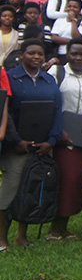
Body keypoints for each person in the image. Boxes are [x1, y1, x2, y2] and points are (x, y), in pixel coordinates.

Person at [0, 40, 52, 250]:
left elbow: (56, 110)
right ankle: (1, 237)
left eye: (40, 54)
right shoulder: (11, 77)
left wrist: (51, 140)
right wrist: (16, 140)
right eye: (31, 53)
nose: (37, 57)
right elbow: (8, 112)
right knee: (9, 191)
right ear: (21, 54)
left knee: (29, 190)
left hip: (40, 145)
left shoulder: (49, 80)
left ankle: (22, 236)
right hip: (16, 145)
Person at [46, 38, 82, 241]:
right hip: (61, 137)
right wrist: (59, 130)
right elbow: (51, 105)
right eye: (74, 54)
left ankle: (64, 227)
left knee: (76, 181)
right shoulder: (57, 73)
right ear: (67, 54)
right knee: (62, 180)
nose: (78, 58)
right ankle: (54, 227)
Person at [50, 0, 82, 65]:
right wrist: (72, 42)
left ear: (80, 10)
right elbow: (54, 38)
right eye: (69, 6)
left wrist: (73, 20)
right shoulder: (60, 20)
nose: (71, 9)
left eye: (75, 7)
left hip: (75, 55)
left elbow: (77, 37)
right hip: (61, 54)